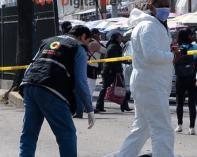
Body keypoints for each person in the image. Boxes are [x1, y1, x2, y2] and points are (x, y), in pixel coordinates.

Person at [19, 25, 95, 157]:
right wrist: (89, 108)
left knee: (29, 133)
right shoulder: (78, 48)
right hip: (51, 90)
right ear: (83, 37)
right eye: (88, 41)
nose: (88, 45)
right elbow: (81, 82)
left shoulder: (47, 41)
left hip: (29, 84)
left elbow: (31, 64)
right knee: (67, 134)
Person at [117, 0, 177, 157]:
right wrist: (173, 56)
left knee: (142, 128)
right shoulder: (148, 26)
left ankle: (125, 155)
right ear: (151, 6)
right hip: (151, 84)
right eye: (161, 5)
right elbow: (151, 55)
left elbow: (154, 52)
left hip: (151, 83)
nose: (165, 9)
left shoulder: (157, 25)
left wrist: (169, 51)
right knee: (162, 128)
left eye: (167, 5)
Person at [74, 28, 107, 118]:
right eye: (98, 34)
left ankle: (83, 107)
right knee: (90, 87)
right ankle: (87, 106)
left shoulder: (85, 42)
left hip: (86, 65)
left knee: (85, 87)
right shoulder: (94, 42)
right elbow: (104, 50)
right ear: (95, 34)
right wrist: (100, 44)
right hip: (92, 67)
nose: (99, 36)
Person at [95, 32, 131, 113]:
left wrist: (126, 61)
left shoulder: (114, 45)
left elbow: (117, 59)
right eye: (120, 37)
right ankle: (99, 106)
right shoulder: (114, 46)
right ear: (116, 38)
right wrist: (118, 72)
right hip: (111, 71)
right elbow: (115, 61)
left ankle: (124, 105)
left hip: (111, 70)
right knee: (106, 88)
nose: (121, 38)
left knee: (120, 87)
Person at [174, 29, 197, 135]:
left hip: (180, 78)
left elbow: (172, 62)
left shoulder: (177, 48)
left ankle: (179, 125)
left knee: (179, 102)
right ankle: (192, 127)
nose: (192, 36)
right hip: (192, 78)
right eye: (191, 34)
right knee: (192, 104)